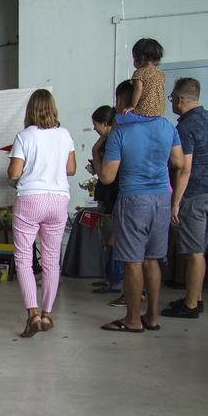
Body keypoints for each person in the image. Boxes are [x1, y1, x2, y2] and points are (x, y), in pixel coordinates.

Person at [98, 79, 184, 333]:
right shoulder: (166, 126)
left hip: (134, 199)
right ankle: (152, 317)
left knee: (133, 261)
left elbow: (106, 177)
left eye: (117, 100)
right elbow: (178, 162)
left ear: (125, 101)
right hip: (162, 197)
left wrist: (98, 151)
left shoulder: (121, 133)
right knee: (152, 259)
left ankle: (133, 319)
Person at [7, 89, 76, 337]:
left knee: (24, 258)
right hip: (58, 200)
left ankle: (32, 315)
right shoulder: (64, 134)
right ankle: (47, 315)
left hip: (31, 199)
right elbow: (71, 169)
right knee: (51, 259)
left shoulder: (25, 136)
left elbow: (15, 173)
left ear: (30, 110)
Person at [164, 77, 208, 320]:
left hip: (194, 195)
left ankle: (191, 306)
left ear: (180, 100)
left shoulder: (185, 127)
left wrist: (176, 202)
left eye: (172, 98)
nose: (171, 102)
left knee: (194, 252)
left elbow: (185, 168)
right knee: (200, 251)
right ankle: (197, 299)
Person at [89, 105, 121, 294]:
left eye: (95, 124)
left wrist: (95, 152)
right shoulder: (108, 141)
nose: (94, 128)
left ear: (105, 124)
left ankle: (115, 282)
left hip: (113, 197)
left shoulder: (112, 144)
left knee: (113, 241)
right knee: (107, 241)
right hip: (107, 196)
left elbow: (105, 176)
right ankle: (109, 279)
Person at [120, 38, 166, 121]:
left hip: (144, 112)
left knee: (118, 119)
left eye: (134, 58)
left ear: (141, 57)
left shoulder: (140, 73)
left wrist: (132, 106)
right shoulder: (161, 72)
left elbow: (138, 89)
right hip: (159, 112)